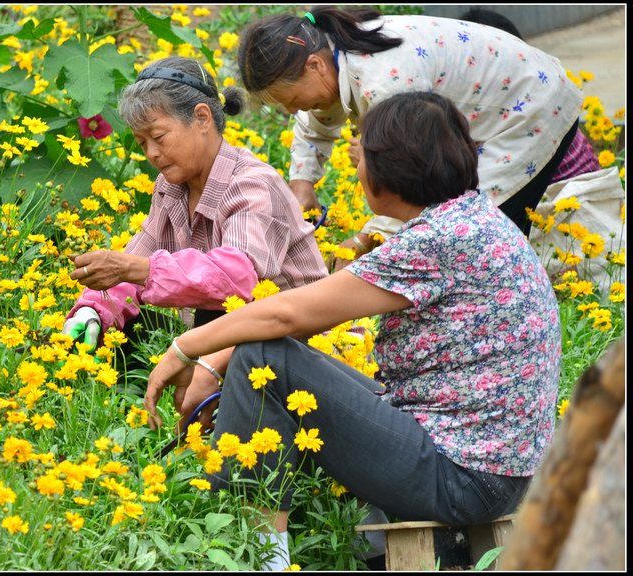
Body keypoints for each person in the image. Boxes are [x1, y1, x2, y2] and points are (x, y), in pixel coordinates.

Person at [144, 91, 561, 571]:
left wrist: (185, 348)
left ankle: (257, 558)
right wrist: (217, 360)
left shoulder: (439, 241)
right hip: (488, 467)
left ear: (393, 169)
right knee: (263, 355)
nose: (357, 168)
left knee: (264, 357)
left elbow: (289, 315)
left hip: (463, 477)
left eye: (360, 156)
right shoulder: (472, 219)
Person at [63, 56, 328, 418]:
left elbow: (235, 277)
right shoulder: (171, 188)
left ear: (202, 118)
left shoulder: (252, 183)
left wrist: (134, 269)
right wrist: (92, 309)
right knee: (119, 333)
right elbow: (136, 259)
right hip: (231, 340)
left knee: (202, 316)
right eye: (142, 144)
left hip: (298, 351)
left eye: (158, 137)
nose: (152, 154)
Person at [236, 6, 602, 269]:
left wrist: (366, 243)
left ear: (314, 66)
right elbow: (316, 116)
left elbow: (415, 182)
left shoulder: (385, 80)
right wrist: (303, 183)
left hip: (530, 105)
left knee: (472, 221)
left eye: (290, 100)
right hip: (495, 102)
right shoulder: (331, 51)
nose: (292, 111)